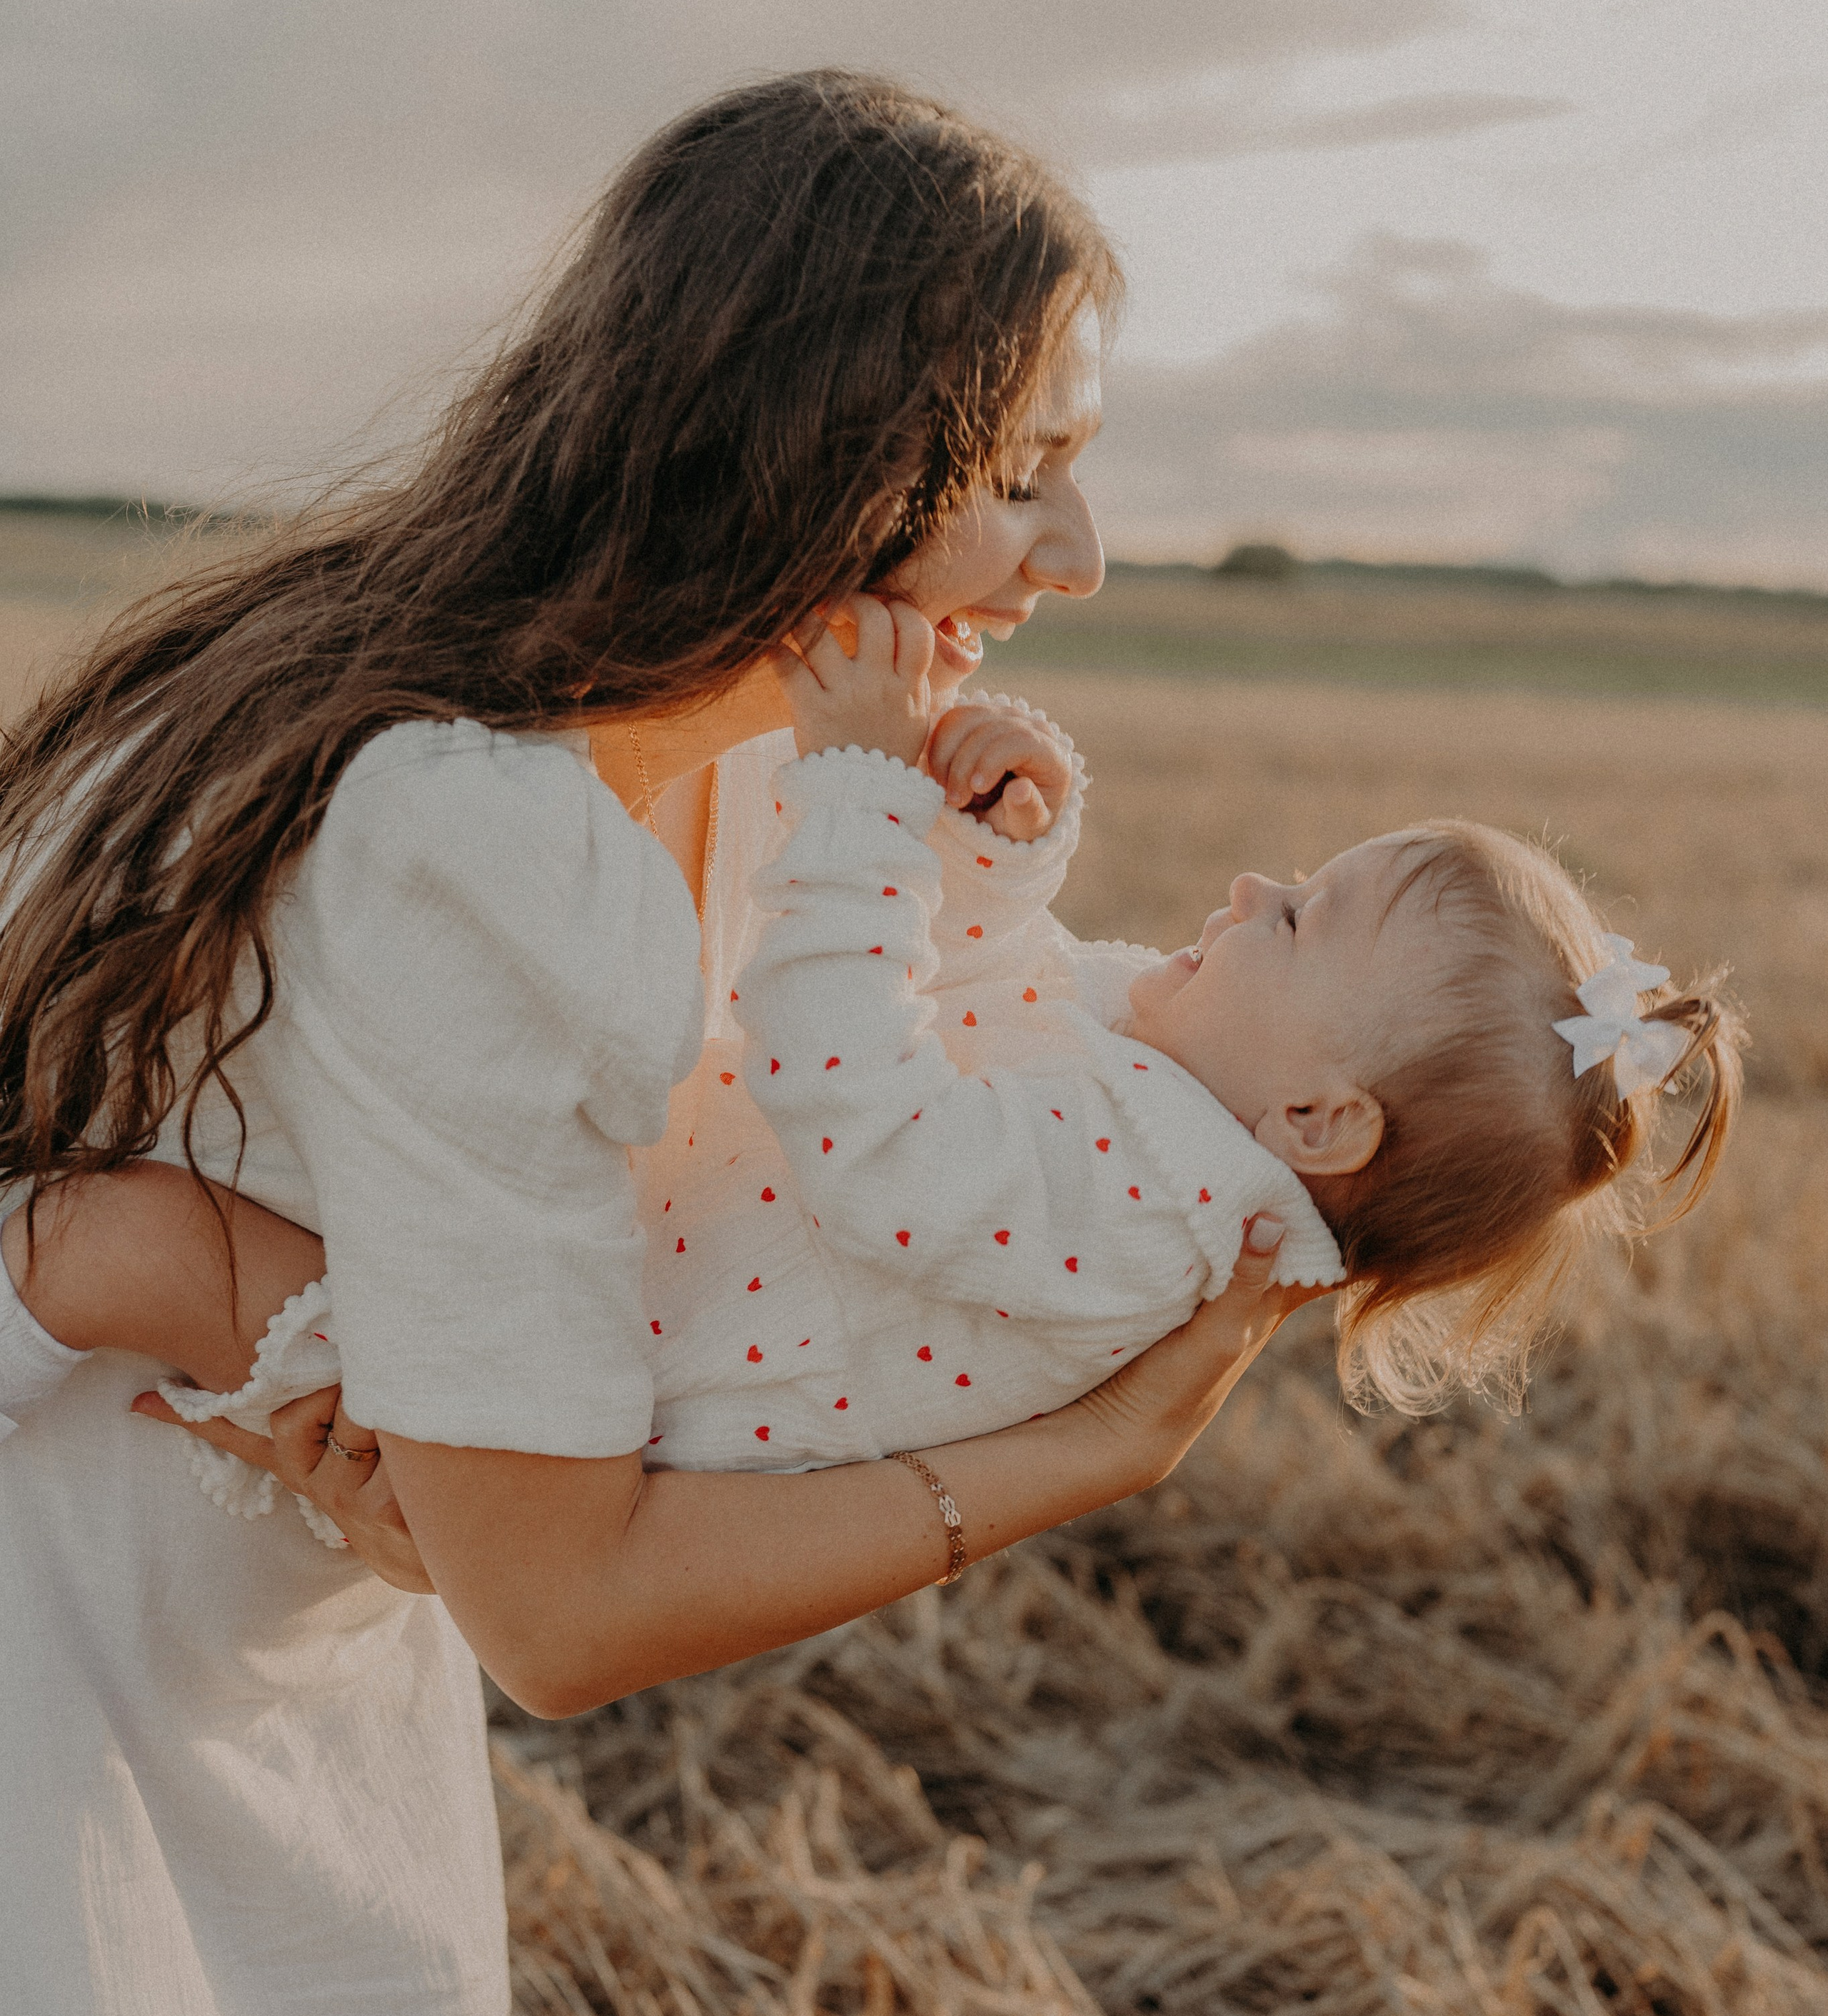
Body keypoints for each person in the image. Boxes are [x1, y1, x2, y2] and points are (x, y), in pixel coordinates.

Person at [0, 73, 1311, 2016]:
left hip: (241, 1612)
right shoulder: (472, 830)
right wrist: (1077, 1452)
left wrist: (938, 849)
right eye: (1032, 466)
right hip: (60, 1656)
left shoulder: (686, 758)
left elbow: (768, 1194)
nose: (1089, 546)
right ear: (833, 452)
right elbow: (567, 1597)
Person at [5, 604, 1741, 1505]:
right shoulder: (1160, 1081)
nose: (1251, 883)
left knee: (120, 1241)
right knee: (204, 1131)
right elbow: (974, 989)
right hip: (581, 1276)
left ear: (1319, 1114)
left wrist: (851, 799)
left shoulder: (1147, 1221)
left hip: (579, 1382)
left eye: (1299, 916)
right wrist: (987, 836)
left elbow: (862, 1112)